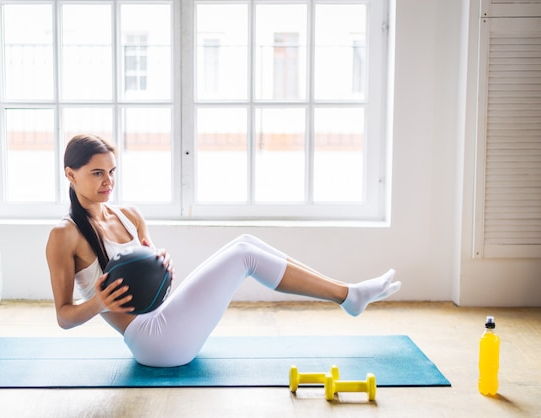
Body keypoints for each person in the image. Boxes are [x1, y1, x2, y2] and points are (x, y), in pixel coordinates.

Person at [46, 134, 402, 368]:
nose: (108, 181)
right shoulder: (65, 235)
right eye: (96, 173)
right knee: (243, 257)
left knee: (245, 243)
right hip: (153, 342)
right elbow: (64, 317)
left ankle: (347, 294)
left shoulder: (129, 215)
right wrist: (100, 302)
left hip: (167, 317)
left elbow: (155, 284)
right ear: (70, 174)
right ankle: (349, 296)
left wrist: (162, 264)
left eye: (112, 171)